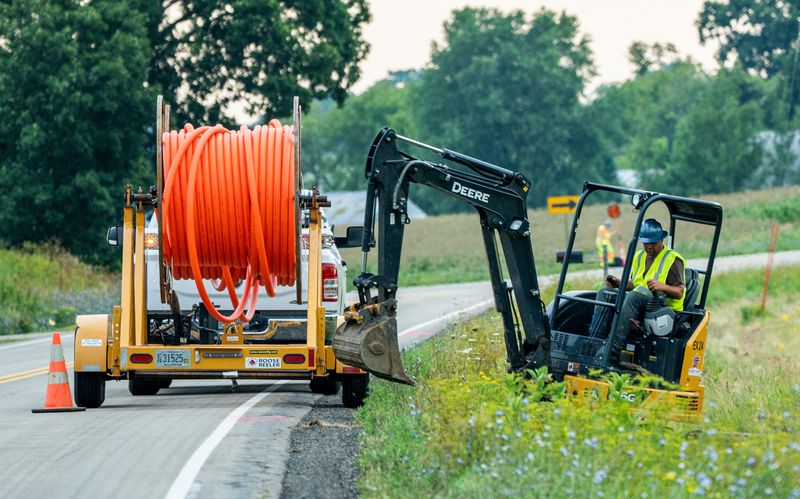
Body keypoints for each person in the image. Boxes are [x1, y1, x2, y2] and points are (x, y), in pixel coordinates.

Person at [590, 218, 686, 364]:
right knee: (605, 294)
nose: (648, 246)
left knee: (634, 297)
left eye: (652, 243)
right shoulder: (639, 256)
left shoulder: (673, 259)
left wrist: (662, 286)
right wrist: (619, 284)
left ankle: (611, 353)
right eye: (646, 242)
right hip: (639, 302)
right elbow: (635, 284)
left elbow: (679, 292)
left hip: (662, 307)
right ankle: (593, 346)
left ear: (661, 240)